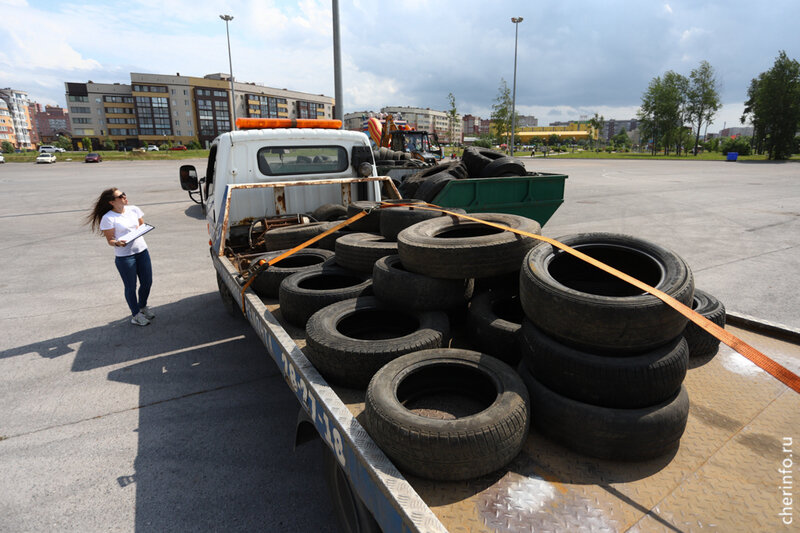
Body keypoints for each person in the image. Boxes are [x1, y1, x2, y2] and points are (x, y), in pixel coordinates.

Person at [86, 188, 154, 326]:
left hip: (142, 251)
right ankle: (135, 315)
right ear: (112, 202)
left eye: (124, 194)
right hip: (125, 257)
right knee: (131, 287)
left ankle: (142, 307)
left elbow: (141, 226)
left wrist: (142, 229)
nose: (125, 196)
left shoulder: (134, 209)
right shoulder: (108, 218)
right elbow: (110, 240)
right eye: (120, 196)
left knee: (147, 283)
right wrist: (117, 242)